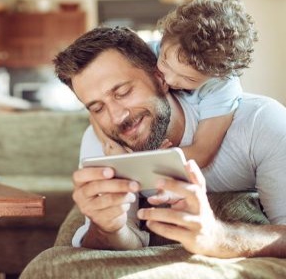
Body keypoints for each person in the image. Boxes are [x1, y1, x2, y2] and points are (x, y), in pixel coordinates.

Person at [53, 26, 286, 257]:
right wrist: (107, 227)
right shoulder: (101, 143)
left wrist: (219, 237)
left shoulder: (260, 121)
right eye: (97, 107)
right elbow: (127, 241)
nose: (117, 117)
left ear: (161, 79)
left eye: (123, 92)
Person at [95, 0, 259, 168]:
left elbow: (202, 152)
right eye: (165, 60)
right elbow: (98, 105)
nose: (169, 79)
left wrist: (148, 158)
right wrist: (117, 149)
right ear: (164, 38)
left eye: (188, 78)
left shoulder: (221, 86)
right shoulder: (146, 53)